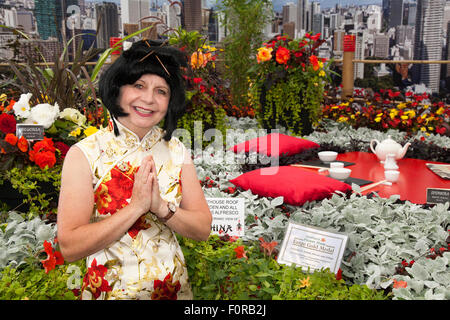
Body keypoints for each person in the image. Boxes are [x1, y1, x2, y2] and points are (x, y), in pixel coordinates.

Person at [56, 40, 212, 300]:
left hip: (173, 291)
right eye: (138, 85)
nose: (149, 99)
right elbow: (70, 246)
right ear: (117, 88)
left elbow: (203, 228)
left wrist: (162, 208)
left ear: (170, 100)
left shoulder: (177, 151)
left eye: (161, 91)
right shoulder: (84, 154)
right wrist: (136, 208)